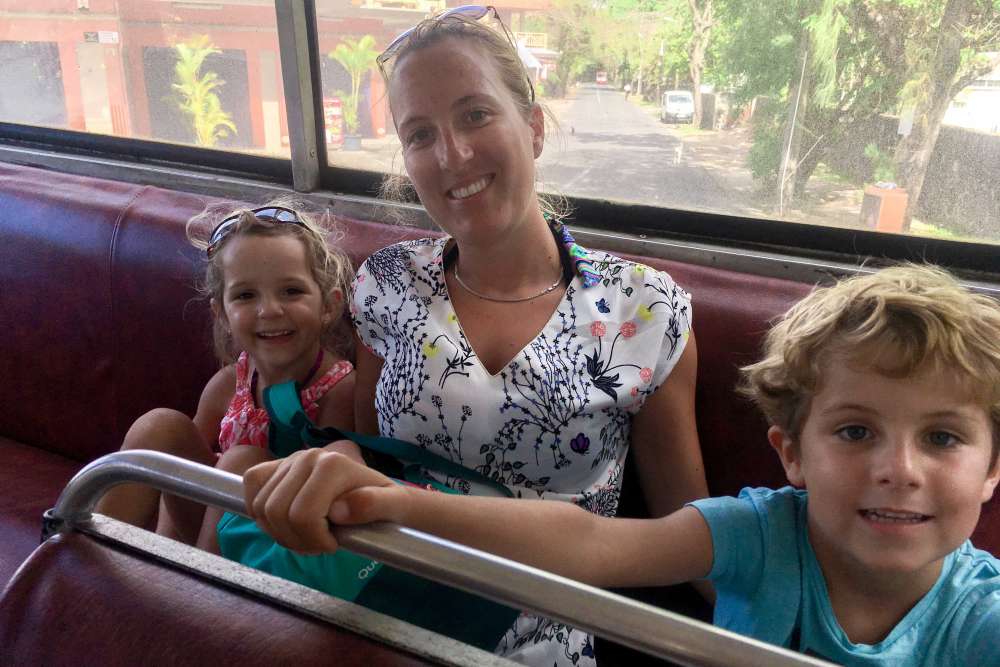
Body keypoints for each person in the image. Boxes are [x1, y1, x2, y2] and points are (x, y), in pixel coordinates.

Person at [245, 264, 1000, 665]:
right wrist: (398, 502)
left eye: (942, 438)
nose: (899, 468)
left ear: (993, 470)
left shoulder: (978, 619)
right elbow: (590, 543)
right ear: (792, 453)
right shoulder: (764, 535)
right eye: (858, 431)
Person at [255, 7, 706, 666]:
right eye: (420, 134)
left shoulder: (646, 312)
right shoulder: (386, 285)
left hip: (543, 638)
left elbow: (688, 543)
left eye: (475, 115)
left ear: (533, 127)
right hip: (383, 604)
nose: (453, 156)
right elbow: (375, 457)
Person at [96, 202, 359, 552]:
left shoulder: (339, 392)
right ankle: (88, 558)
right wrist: (166, 541)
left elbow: (334, 503)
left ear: (328, 305)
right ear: (222, 313)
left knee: (241, 461)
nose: (269, 310)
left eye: (291, 291)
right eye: (246, 295)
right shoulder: (227, 385)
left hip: (282, 547)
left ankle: (202, 598)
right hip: (212, 527)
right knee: (159, 425)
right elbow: (175, 477)